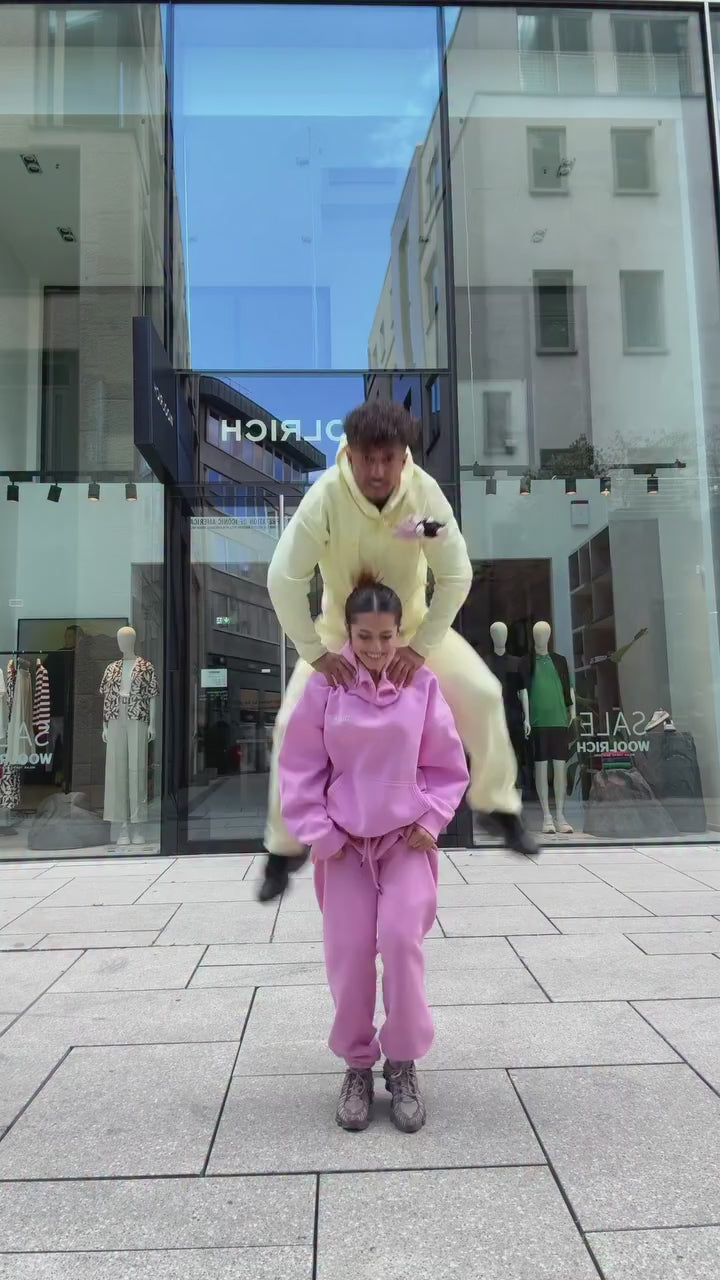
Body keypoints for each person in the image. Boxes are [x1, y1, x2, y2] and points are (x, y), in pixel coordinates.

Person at [259, 399, 538, 904]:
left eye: (388, 459)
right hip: (338, 636)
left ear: (404, 456)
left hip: (410, 633)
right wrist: (315, 653)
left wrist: (422, 646)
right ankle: (284, 848)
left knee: (484, 693)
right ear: (349, 453)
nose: (377, 471)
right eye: (367, 459)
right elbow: (283, 578)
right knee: (287, 725)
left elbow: (456, 574)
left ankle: (497, 805)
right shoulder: (324, 498)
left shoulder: (424, 495)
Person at [278, 575, 469, 1132]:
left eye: (386, 636)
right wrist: (322, 834)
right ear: (348, 631)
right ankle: (358, 1065)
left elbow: (446, 764)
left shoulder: (421, 684)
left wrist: (432, 817)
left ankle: (402, 1062)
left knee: (402, 942)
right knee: (349, 952)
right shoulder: (324, 686)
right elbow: (298, 767)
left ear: (400, 631)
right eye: (364, 636)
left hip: (405, 842)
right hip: (343, 847)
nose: (377, 648)